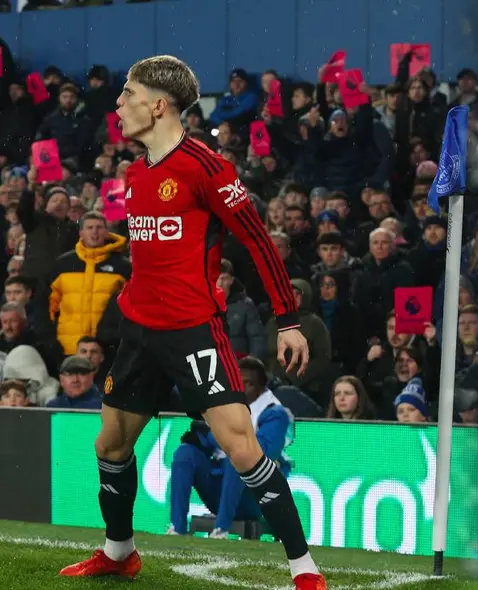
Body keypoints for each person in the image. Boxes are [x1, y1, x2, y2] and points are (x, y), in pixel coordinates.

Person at [58, 56, 326, 590]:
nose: (118, 103)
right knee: (109, 446)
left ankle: (304, 569)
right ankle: (119, 553)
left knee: (242, 445)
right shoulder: (136, 173)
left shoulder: (206, 166)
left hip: (194, 331)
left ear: (158, 105)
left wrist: (287, 319)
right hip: (138, 329)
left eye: (128, 93)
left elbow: (254, 239)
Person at [167, 356, 294, 539]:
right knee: (185, 453)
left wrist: (212, 435)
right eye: (235, 382)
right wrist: (199, 439)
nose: (240, 388)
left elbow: (259, 452)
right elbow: (209, 442)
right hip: (219, 489)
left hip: (255, 497)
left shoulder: (275, 412)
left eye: (247, 383)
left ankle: (221, 530)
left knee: (239, 458)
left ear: (260, 386)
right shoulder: (225, 403)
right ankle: (177, 527)